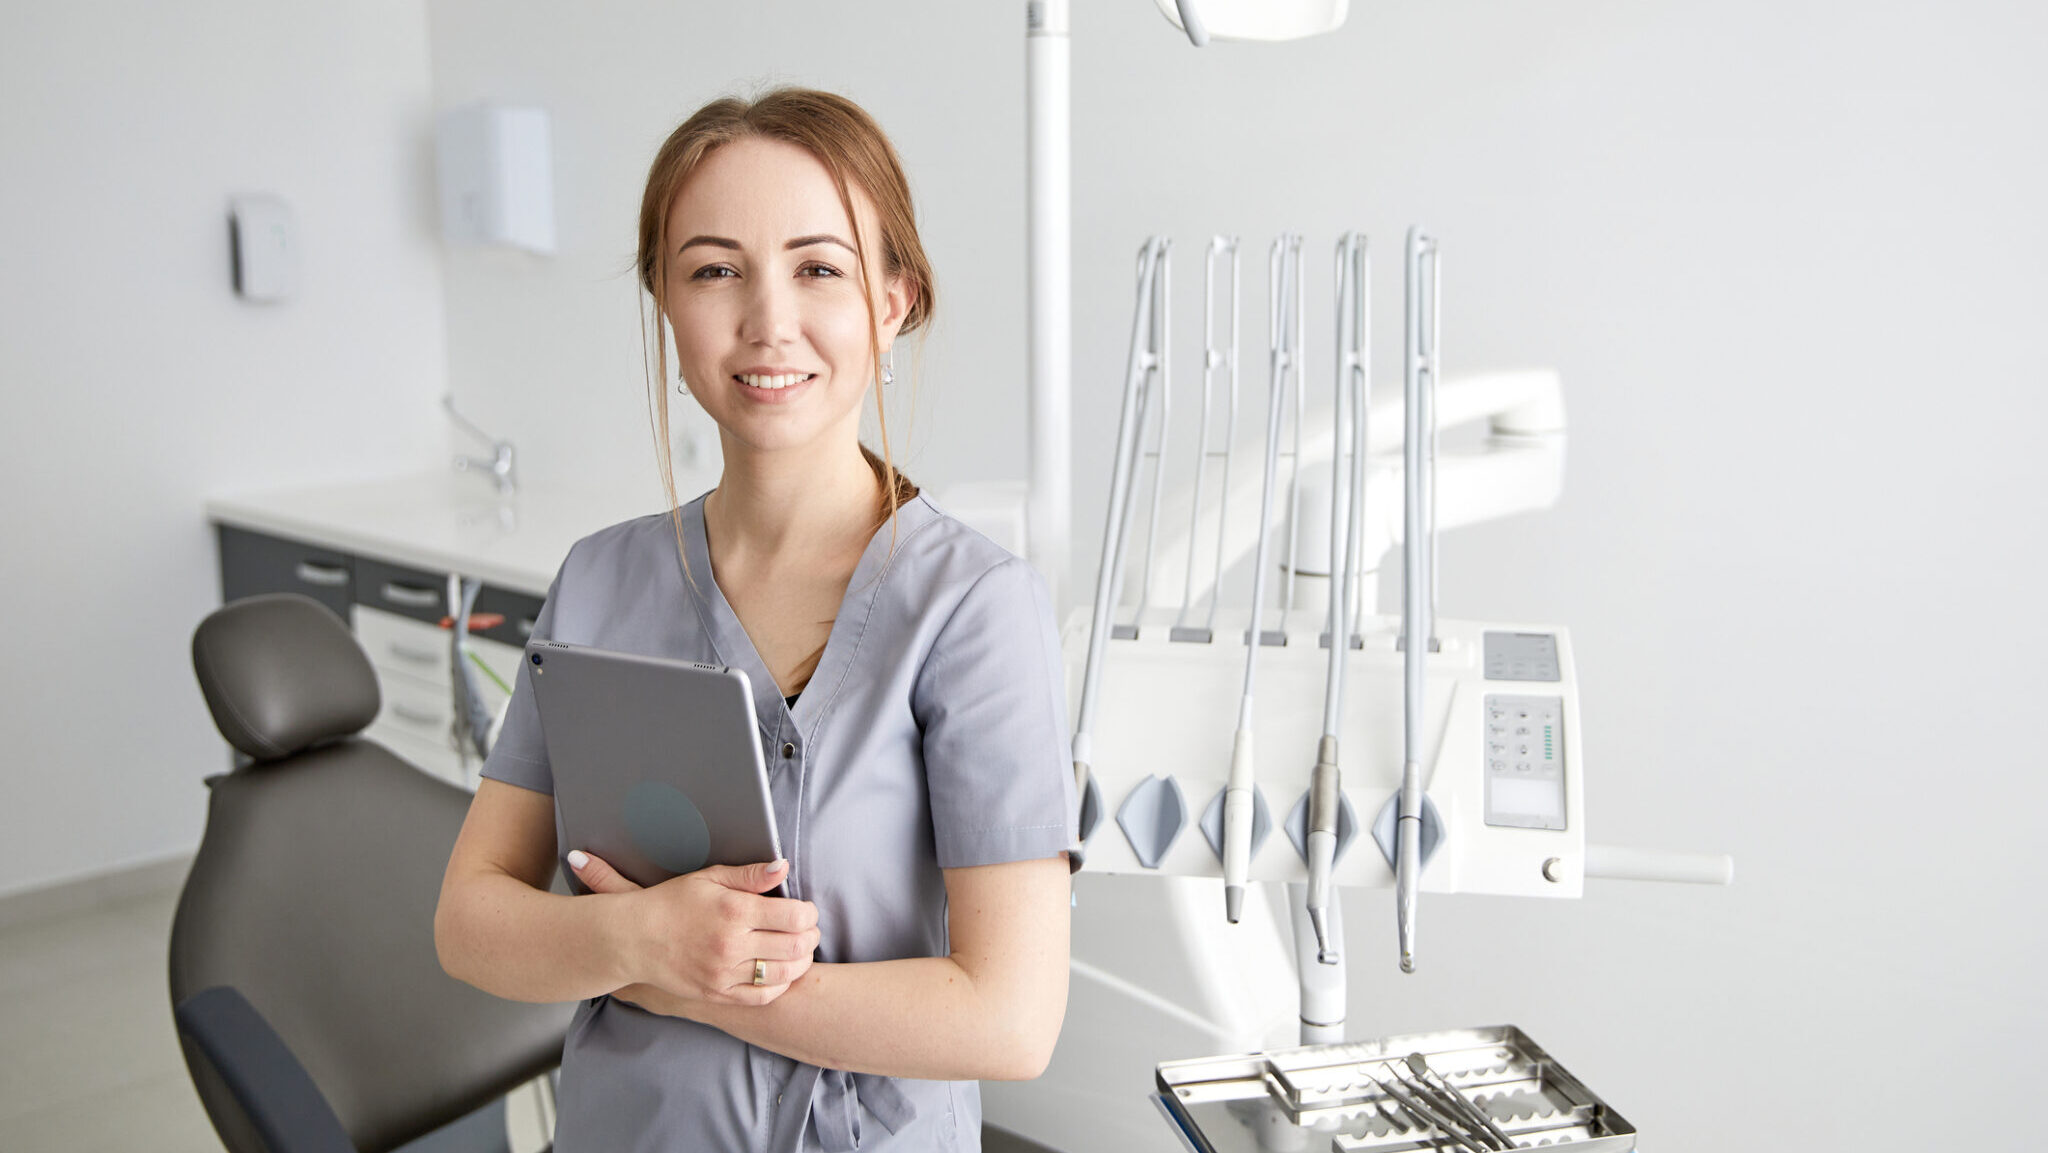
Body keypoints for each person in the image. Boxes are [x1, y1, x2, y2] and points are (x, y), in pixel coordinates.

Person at [434, 88, 1078, 1153]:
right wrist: (634, 933)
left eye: (819, 268)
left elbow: (1009, 1018)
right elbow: (471, 924)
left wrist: (680, 977)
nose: (767, 320)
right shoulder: (598, 580)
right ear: (666, 301)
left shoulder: (971, 609)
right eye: (714, 269)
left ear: (893, 300)